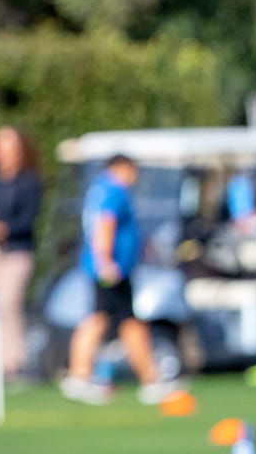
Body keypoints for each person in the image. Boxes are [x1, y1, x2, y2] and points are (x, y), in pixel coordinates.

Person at [63, 154, 178, 405]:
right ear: (121, 168)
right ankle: (79, 375)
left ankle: (150, 378)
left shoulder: (100, 189)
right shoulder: (113, 190)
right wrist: (104, 259)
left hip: (115, 269)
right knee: (99, 318)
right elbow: (105, 224)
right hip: (109, 269)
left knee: (128, 321)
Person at [0, 125, 43, 378]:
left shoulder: (30, 182)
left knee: (8, 303)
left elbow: (28, 219)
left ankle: (14, 362)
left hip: (17, 250)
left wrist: (4, 229)